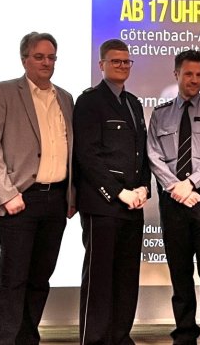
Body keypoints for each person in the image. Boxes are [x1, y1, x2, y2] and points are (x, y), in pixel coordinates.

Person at [0, 31, 75, 345]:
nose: (46, 63)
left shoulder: (65, 97)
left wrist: (71, 195)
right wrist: (7, 194)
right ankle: (3, 340)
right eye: (39, 56)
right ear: (25, 59)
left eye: (51, 57)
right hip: (19, 200)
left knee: (40, 279)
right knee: (12, 280)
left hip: (56, 200)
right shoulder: (4, 92)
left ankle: (27, 339)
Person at [147, 49, 200, 345]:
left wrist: (191, 183)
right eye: (188, 74)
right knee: (179, 270)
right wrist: (175, 187)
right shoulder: (160, 114)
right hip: (173, 199)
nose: (194, 80)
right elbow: (153, 155)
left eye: (199, 75)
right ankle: (184, 332)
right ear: (176, 75)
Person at [73, 38, 151, 344]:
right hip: (104, 204)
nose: (122, 66)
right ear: (101, 65)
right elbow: (87, 156)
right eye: (115, 61)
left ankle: (120, 336)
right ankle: (93, 339)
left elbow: (141, 152)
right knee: (99, 279)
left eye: (126, 62)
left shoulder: (132, 103)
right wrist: (119, 193)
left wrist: (144, 187)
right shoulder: (89, 101)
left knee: (127, 277)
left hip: (134, 204)